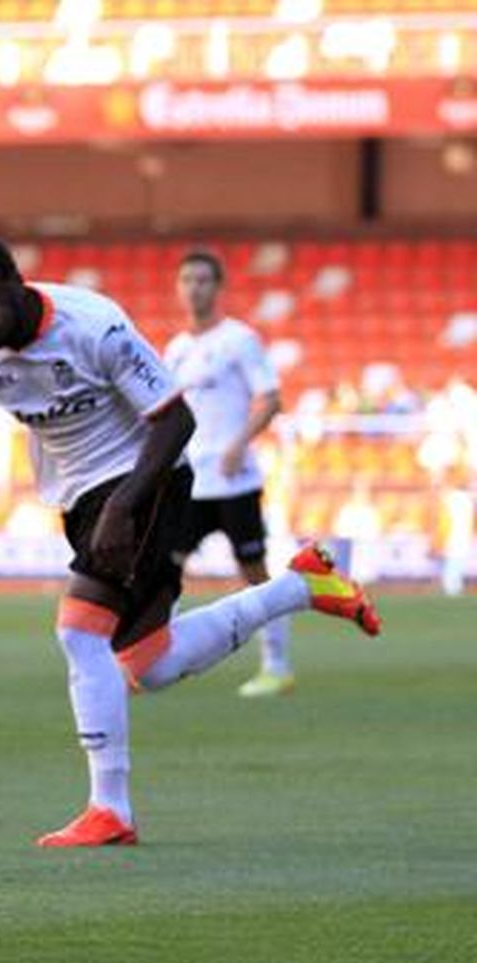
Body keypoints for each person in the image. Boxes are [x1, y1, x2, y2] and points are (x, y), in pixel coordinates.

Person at [0, 235, 380, 847]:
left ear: (16, 282)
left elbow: (177, 420)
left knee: (78, 628)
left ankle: (109, 810)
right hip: (78, 497)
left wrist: (124, 505)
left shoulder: (95, 326)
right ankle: (302, 585)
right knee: (150, 663)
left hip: (146, 478)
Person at [164, 250, 292, 697]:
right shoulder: (176, 350)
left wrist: (239, 444)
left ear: (218, 287)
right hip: (189, 481)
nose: (194, 288)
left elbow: (270, 398)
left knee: (253, 572)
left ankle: (277, 665)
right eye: (187, 280)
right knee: (166, 568)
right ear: (178, 288)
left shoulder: (240, 340)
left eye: (203, 280)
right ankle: (158, 658)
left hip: (235, 480)